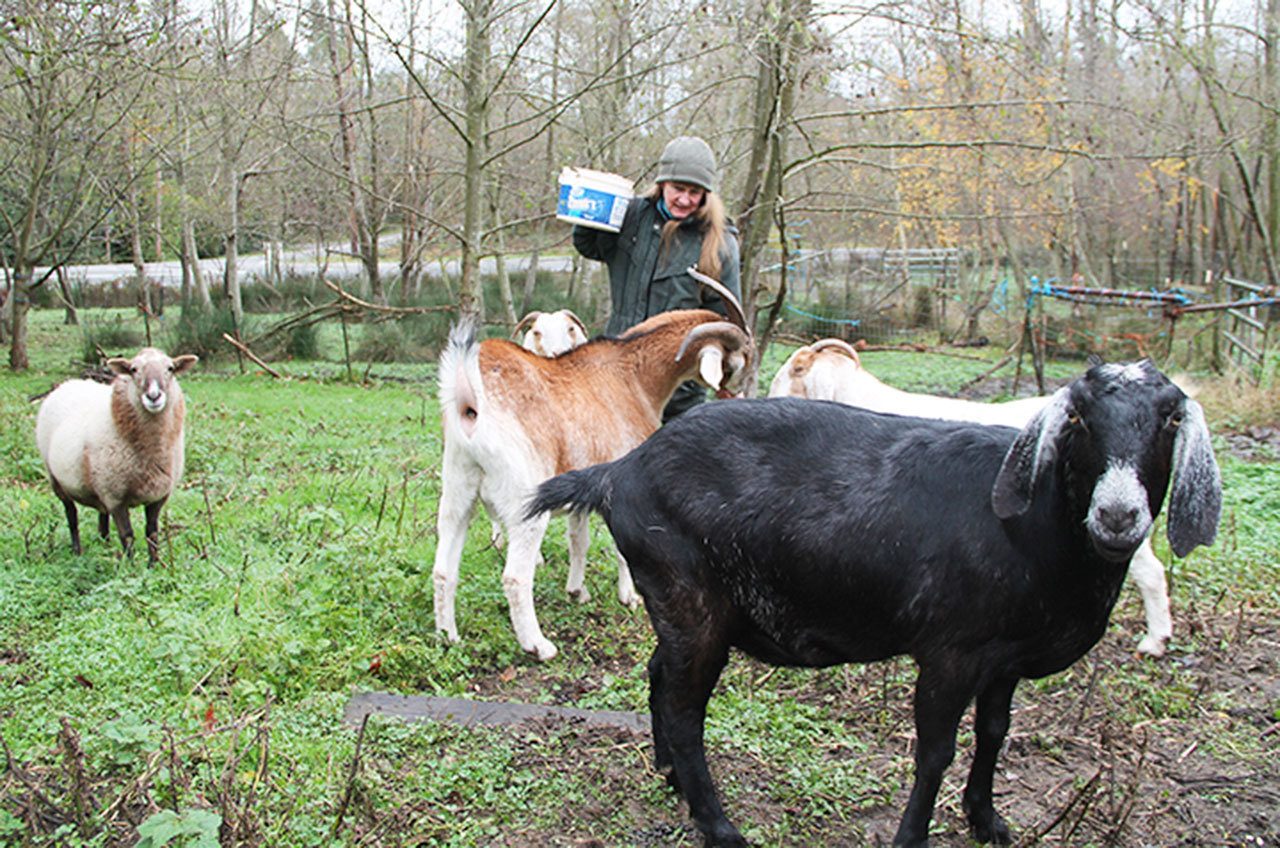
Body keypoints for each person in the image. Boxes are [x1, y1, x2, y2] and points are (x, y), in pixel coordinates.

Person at [572, 135, 742, 421]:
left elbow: (725, 321)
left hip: (680, 389)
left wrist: (723, 377)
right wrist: (590, 209)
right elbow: (589, 246)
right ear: (662, 183)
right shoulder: (631, 215)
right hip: (617, 375)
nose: (684, 199)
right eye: (677, 188)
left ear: (706, 194)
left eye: (695, 191)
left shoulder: (719, 243)